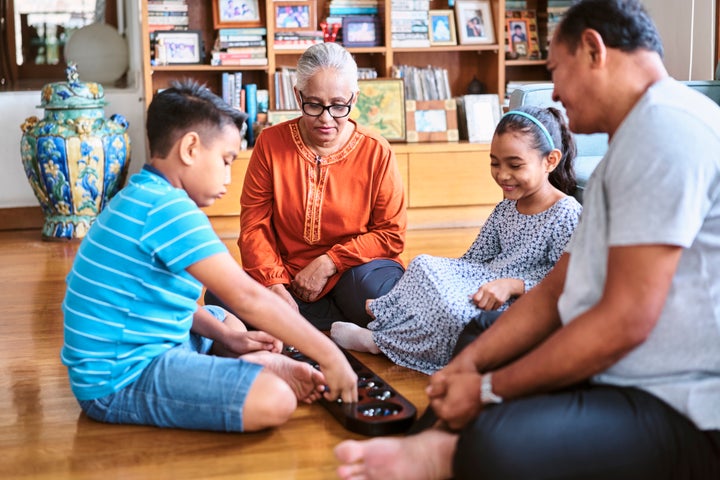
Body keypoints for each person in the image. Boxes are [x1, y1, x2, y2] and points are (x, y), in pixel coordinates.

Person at [334, 0, 720, 478]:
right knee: (479, 336)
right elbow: (558, 288)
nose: (554, 90)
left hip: (675, 400)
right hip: (612, 368)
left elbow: (625, 321)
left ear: (593, 49)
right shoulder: (633, 141)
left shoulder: (666, 132)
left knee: (496, 445)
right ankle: (432, 448)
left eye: (555, 69)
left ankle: (439, 454)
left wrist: (491, 388)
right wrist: (469, 369)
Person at [61, 80, 358, 434]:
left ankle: (237, 363)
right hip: (118, 379)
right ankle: (255, 369)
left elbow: (165, 301)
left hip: (136, 345)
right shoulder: (169, 210)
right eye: (226, 160)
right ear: (190, 148)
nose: (229, 177)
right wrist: (329, 354)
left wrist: (229, 339)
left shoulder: (142, 194)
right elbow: (247, 296)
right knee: (275, 399)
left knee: (227, 324)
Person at [330, 106, 582, 375]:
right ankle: (391, 314)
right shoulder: (508, 207)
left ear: (550, 161)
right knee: (424, 265)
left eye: (515, 165)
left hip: (517, 302)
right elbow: (473, 259)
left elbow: (568, 284)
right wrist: (443, 280)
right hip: (483, 284)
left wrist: (514, 285)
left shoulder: (565, 214)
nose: (502, 175)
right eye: (495, 163)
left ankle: (380, 342)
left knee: (453, 315)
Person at [205, 42, 406, 330]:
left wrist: (329, 262)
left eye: (338, 106)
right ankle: (332, 322)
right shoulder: (270, 143)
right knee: (219, 296)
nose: (326, 118)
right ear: (298, 96)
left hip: (354, 271)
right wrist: (274, 285)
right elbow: (254, 226)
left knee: (378, 295)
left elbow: (391, 234)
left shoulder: (377, 151)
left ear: (355, 98)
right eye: (314, 104)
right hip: (286, 276)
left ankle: (301, 322)